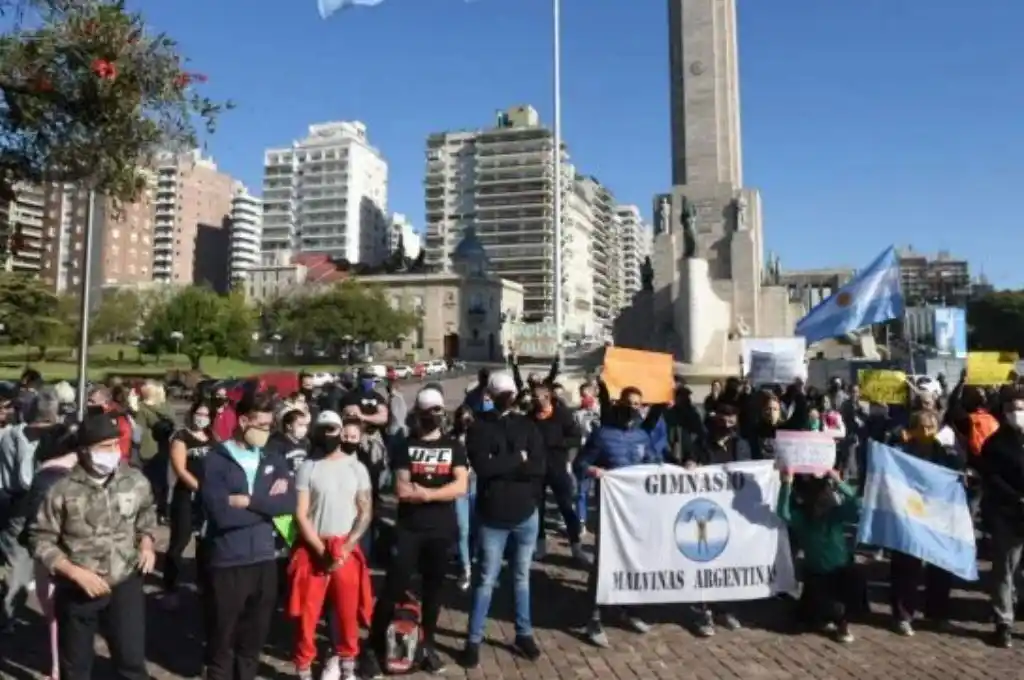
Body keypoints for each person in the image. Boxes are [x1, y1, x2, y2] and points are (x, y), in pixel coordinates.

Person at [28, 412, 158, 680]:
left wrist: (147, 543)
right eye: (104, 447)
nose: (112, 453)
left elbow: (146, 514)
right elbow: (40, 539)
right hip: (78, 590)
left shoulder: (134, 480)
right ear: (84, 451)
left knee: (131, 663)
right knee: (75, 669)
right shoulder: (60, 489)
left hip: (125, 582)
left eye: (115, 445)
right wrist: (74, 572)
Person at [365, 387, 469, 675]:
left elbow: (461, 486)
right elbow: (401, 488)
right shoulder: (405, 446)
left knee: (434, 591)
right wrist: (436, 491)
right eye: (427, 412)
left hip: (440, 529)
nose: (433, 416)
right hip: (410, 529)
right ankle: (373, 646)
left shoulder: (454, 447)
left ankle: (428, 646)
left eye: (438, 410)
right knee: (393, 588)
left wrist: (427, 495)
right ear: (418, 414)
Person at [201, 393, 296, 680]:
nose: (267, 431)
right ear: (243, 421)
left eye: (270, 426)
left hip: (265, 559)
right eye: (262, 425)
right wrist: (265, 504)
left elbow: (287, 504)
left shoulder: (273, 457)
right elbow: (222, 514)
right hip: (229, 561)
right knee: (222, 641)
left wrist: (248, 501)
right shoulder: (216, 460)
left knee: (252, 642)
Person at [462, 372, 545, 669]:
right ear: (492, 394)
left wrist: (509, 464)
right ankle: (473, 638)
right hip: (493, 516)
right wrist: (518, 460)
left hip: (525, 513)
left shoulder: (527, 424)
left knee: (522, 578)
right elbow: (484, 467)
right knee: (486, 579)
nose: (508, 396)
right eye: (503, 392)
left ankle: (523, 632)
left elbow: (538, 466)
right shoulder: (479, 427)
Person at [289, 411, 375, 680]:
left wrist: (347, 547)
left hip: (344, 547)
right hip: (313, 547)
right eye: (323, 429)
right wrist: (319, 549)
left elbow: (365, 511)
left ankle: (348, 664)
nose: (329, 435)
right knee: (307, 616)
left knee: (347, 612)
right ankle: (303, 668)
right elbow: (301, 513)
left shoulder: (356, 468)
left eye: (333, 429)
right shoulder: (308, 467)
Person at [576, 397, 661, 648]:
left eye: (638, 404)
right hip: (609, 510)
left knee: (634, 560)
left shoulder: (643, 437)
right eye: (629, 403)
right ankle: (593, 617)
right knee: (604, 562)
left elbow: (653, 464)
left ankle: (630, 609)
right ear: (619, 405)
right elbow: (579, 463)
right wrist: (593, 471)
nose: (634, 408)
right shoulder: (602, 435)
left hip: (637, 510)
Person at [889, 409, 964, 636]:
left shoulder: (944, 451)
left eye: (931, 427)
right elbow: (880, 454)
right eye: (921, 427)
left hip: (937, 516)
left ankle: (938, 614)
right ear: (911, 429)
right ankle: (903, 615)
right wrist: (894, 436)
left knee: (940, 567)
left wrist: (953, 450)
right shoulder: (900, 451)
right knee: (906, 567)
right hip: (909, 515)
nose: (926, 432)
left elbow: (959, 465)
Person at [0, 388, 66, 629]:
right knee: (18, 563)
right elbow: (28, 479)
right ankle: (8, 617)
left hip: (22, 502)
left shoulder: (14, 433)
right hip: (22, 504)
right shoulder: (23, 439)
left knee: (21, 563)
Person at [684, 404, 750, 637]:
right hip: (707, 512)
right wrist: (691, 466)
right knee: (705, 561)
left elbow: (750, 472)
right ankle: (703, 612)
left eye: (732, 421)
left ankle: (725, 609)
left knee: (729, 562)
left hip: (733, 513)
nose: (727, 426)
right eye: (723, 422)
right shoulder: (701, 443)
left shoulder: (741, 445)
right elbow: (689, 464)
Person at [19, 423, 79, 680]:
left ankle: (58, 669)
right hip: (85, 551)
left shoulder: (46, 475)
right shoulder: (92, 470)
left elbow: (34, 522)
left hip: (52, 553)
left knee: (55, 614)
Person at [778, 468, 863, 643]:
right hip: (819, 574)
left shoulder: (831, 516)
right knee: (815, 605)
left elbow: (783, 511)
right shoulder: (810, 517)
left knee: (839, 598)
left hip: (838, 572)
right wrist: (838, 483)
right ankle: (825, 617)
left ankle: (840, 621)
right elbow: (856, 503)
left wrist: (786, 484)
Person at [978, 387, 1024, 648]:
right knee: (1005, 569)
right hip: (1008, 514)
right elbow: (992, 477)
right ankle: (1003, 622)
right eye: (1012, 409)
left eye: (1021, 408)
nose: (1017, 413)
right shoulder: (995, 443)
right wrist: (1017, 499)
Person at [162, 401, 213, 610]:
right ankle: (170, 587)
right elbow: (180, 469)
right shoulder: (181, 437)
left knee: (205, 542)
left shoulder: (212, 437)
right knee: (179, 542)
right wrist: (198, 488)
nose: (201, 417)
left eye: (206, 414)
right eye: (198, 413)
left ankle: (203, 584)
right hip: (186, 496)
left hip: (207, 497)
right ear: (191, 414)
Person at [528, 382, 586, 562]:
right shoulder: (530, 417)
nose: (536, 402)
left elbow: (576, 438)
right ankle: (540, 547)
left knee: (567, 507)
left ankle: (576, 547)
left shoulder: (563, 415)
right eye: (533, 399)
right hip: (536, 471)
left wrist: (558, 442)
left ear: (547, 397)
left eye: (538, 398)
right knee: (538, 509)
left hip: (558, 468)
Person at [451, 404, 477, 589]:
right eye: (462, 419)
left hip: (476, 484)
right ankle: (465, 568)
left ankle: (471, 556)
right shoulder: (451, 438)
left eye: (468, 419)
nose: (465, 423)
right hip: (459, 486)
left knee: (476, 526)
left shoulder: (479, 436)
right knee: (463, 528)